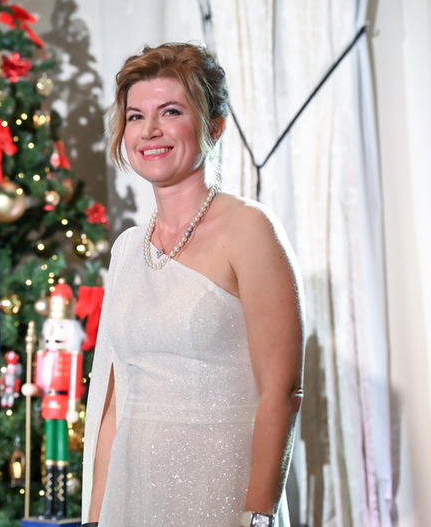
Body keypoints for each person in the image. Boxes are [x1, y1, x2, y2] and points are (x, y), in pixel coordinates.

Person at [81, 43, 305, 527]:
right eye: (136, 116)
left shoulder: (249, 229)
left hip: (221, 494)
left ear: (214, 126)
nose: (149, 131)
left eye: (171, 112)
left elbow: (283, 391)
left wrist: (258, 516)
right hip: (133, 496)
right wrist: (95, 518)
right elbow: (116, 403)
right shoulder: (127, 249)